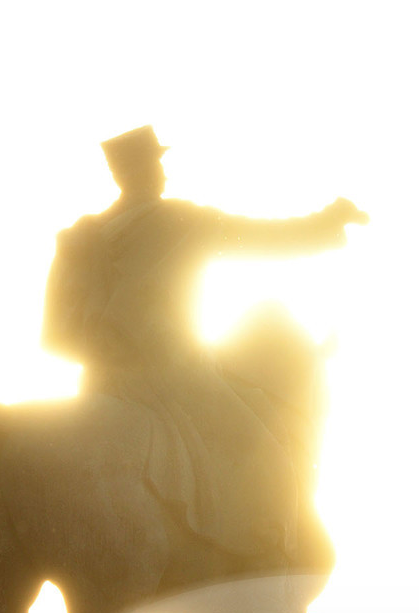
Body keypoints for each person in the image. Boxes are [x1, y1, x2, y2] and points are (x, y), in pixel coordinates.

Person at [42, 125, 367, 571]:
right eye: (155, 163)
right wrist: (329, 221)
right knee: (265, 444)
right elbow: (264, 238)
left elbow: (59, 333)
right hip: (174, 377)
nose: (163, 173)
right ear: (133, 170)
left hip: (98, 384)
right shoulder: (181, 222)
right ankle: (261, 546)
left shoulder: (84, 236)